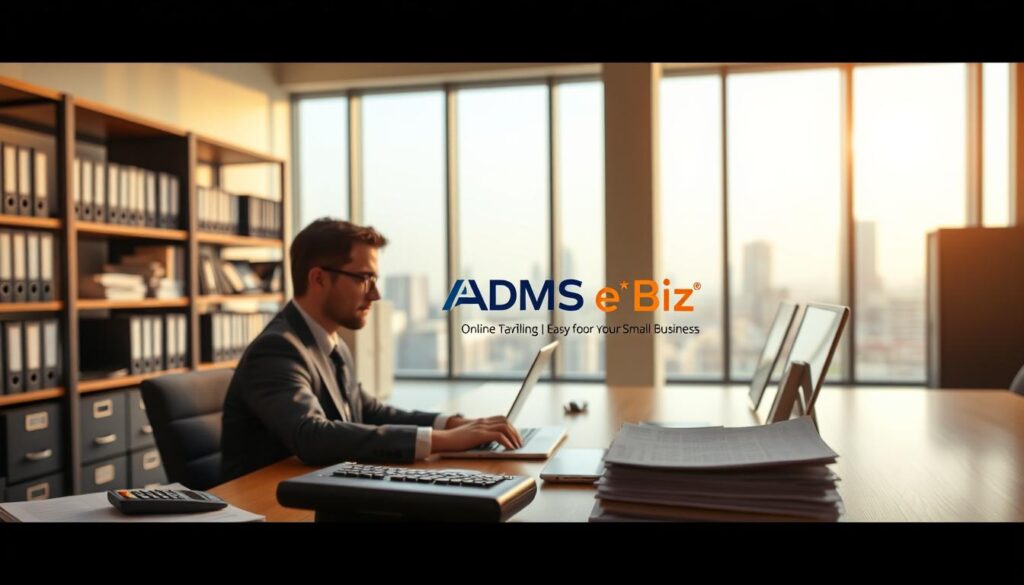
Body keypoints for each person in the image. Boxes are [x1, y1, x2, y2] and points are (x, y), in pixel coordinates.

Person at [221, 218, 522, 482]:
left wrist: (455, 424)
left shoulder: (331, 344)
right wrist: (442, 440)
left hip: (322, 490)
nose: (375, 295)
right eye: (364, 279)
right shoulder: (277, 349)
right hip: (268, 505)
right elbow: (310, 435)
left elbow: (369, 411)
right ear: (319, 278)